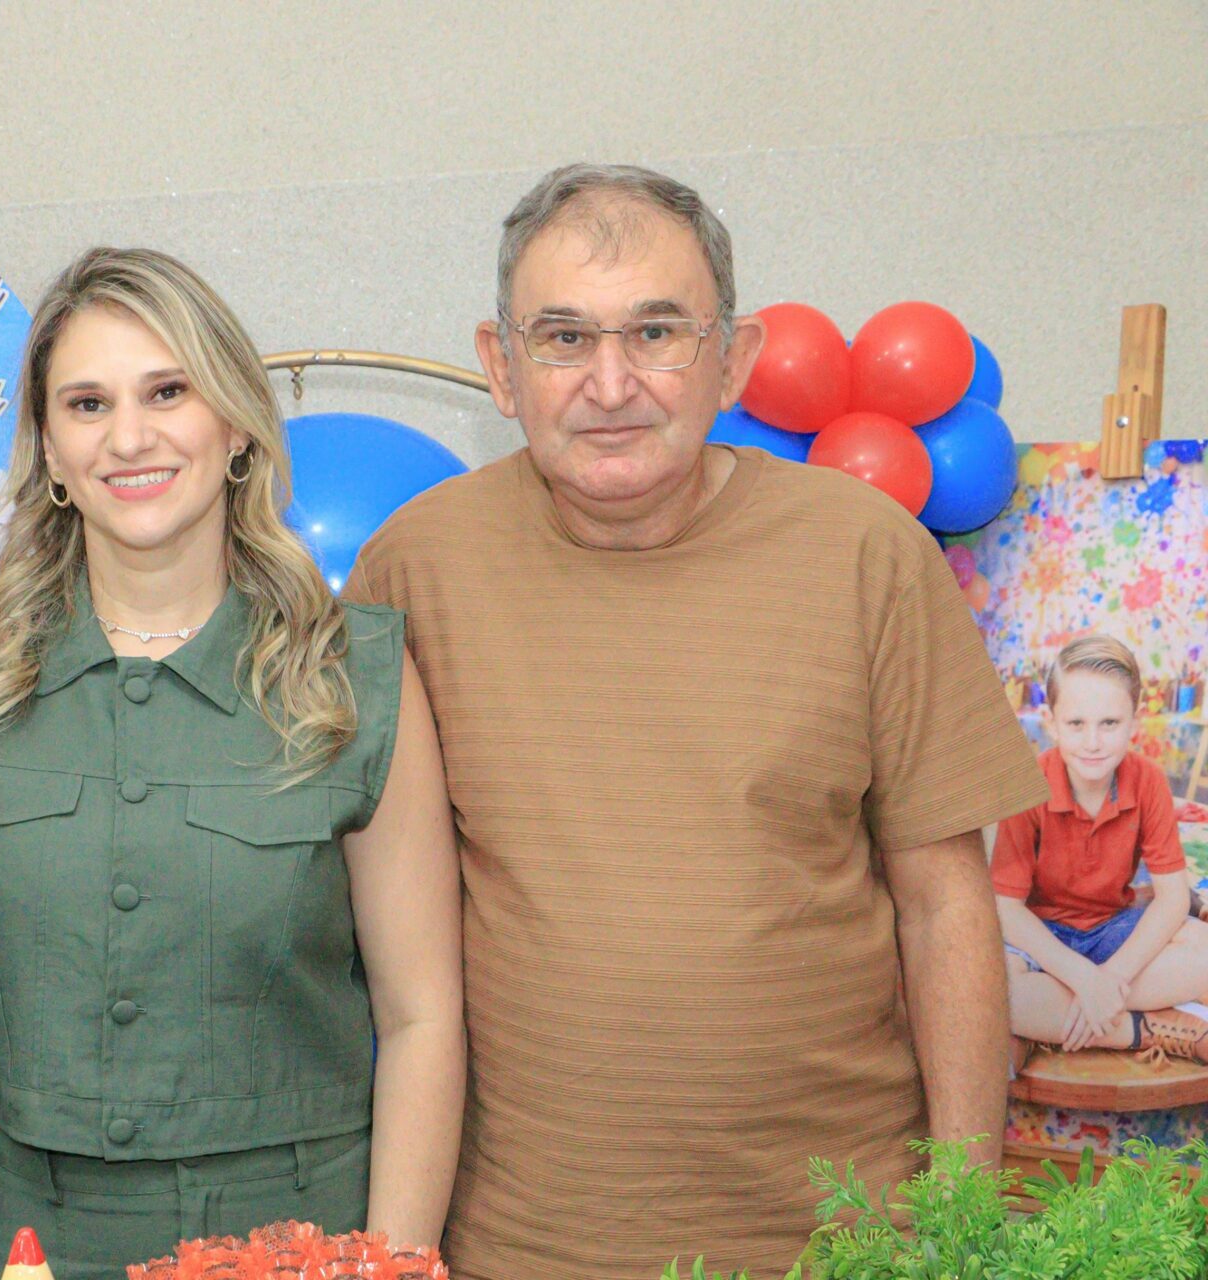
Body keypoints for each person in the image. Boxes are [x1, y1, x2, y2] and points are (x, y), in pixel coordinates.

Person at [338, 164, 1050, 1279]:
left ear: (735, 359)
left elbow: (944, 904)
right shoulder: (412, 571)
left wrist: (960, 1226)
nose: (611, 382)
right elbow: (364, 935)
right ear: (501, 366)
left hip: (842, 1245)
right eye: (563, 338)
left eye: (658, 332)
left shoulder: (867, 555)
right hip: (521, 1248)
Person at [0, 247, 465, 1280]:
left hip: (296, 1243)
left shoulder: (355, 673)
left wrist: (388, 1268)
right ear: (50, 451)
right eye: (88, 404)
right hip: (39, 1239)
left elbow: (420, 1016)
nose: (129, 437)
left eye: (168, 391)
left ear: (236, 425)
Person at [994, 634, 1208, 1064]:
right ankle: (1142, 1029)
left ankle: (1053, 1018)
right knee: (994, 992)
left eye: (1109, 723)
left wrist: (1108, 978)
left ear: (1134, 722)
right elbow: (1007, 909)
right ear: (1051, 722)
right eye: (1076, 724)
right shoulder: (1027, 786)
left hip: (1111, 927)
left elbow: (1171, 899)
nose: (1092, 742)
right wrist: (1081, 978)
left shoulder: (1148, 780)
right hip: (1042, 934)